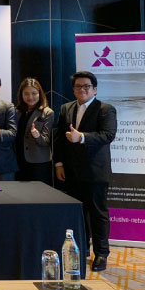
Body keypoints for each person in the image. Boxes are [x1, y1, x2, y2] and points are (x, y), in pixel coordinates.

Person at [53, 70, 118, 272]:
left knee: (98, 214)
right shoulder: (66, 108)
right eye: (78, 86)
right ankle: (81, 250)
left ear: (94, 89)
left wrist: (81, 137)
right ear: (73, 90)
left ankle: (101, 254)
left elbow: (107, 135)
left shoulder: (105, 109)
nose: (82, 89)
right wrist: (59, 164)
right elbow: (59, 138)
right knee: (77, 214)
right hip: (71, 171)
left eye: (86, 86)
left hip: (95, 171)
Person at [15, 77, 55, 185]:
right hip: (19, 160)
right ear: (21, 95)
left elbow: (46, 141)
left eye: (34, 93)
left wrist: (37, 136)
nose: (30, 97)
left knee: (39, 193)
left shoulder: (47, 112)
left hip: (38, 163)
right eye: (26, 94)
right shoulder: (17, 112)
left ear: (40, 94)